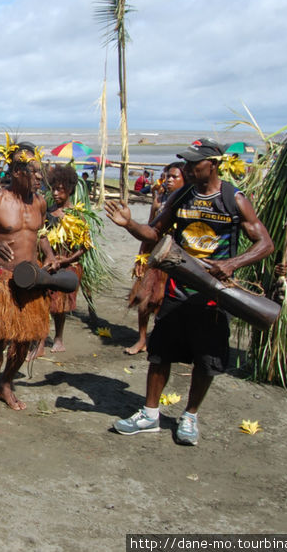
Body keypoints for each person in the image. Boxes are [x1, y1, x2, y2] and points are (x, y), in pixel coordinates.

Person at [104, 138, 274, 445]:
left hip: (214, 295)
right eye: (186, 162)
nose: (187, 168)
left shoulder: (233, 199)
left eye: (194, 163)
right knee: (159, 354)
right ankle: (150, 414)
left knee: (205, 359)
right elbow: (155, 232)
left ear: (213, 164)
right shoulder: (182, 195)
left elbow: (265, 244)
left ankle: (190, 416)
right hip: (177, 289)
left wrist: (232, 264)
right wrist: (129, 225)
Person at [0, 142, 56, 418]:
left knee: (25, 340)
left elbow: (40, 235)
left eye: (40, 171)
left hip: (32, 281)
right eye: (34, 171)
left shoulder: (39, 202)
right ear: (17, 171)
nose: (39, 176)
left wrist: (51, 255)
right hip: (3, 281)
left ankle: (7, 384)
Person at [125, 162, 186, 355]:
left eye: (174, 177)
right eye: (167, 176)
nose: (168, 180)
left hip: (176, 259)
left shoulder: (187, 203)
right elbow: (149, 230)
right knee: (143, 298)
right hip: (155, 256)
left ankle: (158, 339)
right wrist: (141, 257)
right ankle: (142, 338)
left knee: (165, 303)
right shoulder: (159, 201)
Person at [34, 165, 90, 356]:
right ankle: (40, 341)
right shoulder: (48, 213)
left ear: (70, 191)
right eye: (54, 189)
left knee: (60, 306)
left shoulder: (77, 215)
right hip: (49, 264)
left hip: (69, 266)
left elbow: (84, 246)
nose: (56, 193)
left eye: (61, 190)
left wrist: (66, 260)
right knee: (44, 302)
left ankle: (58, 337)